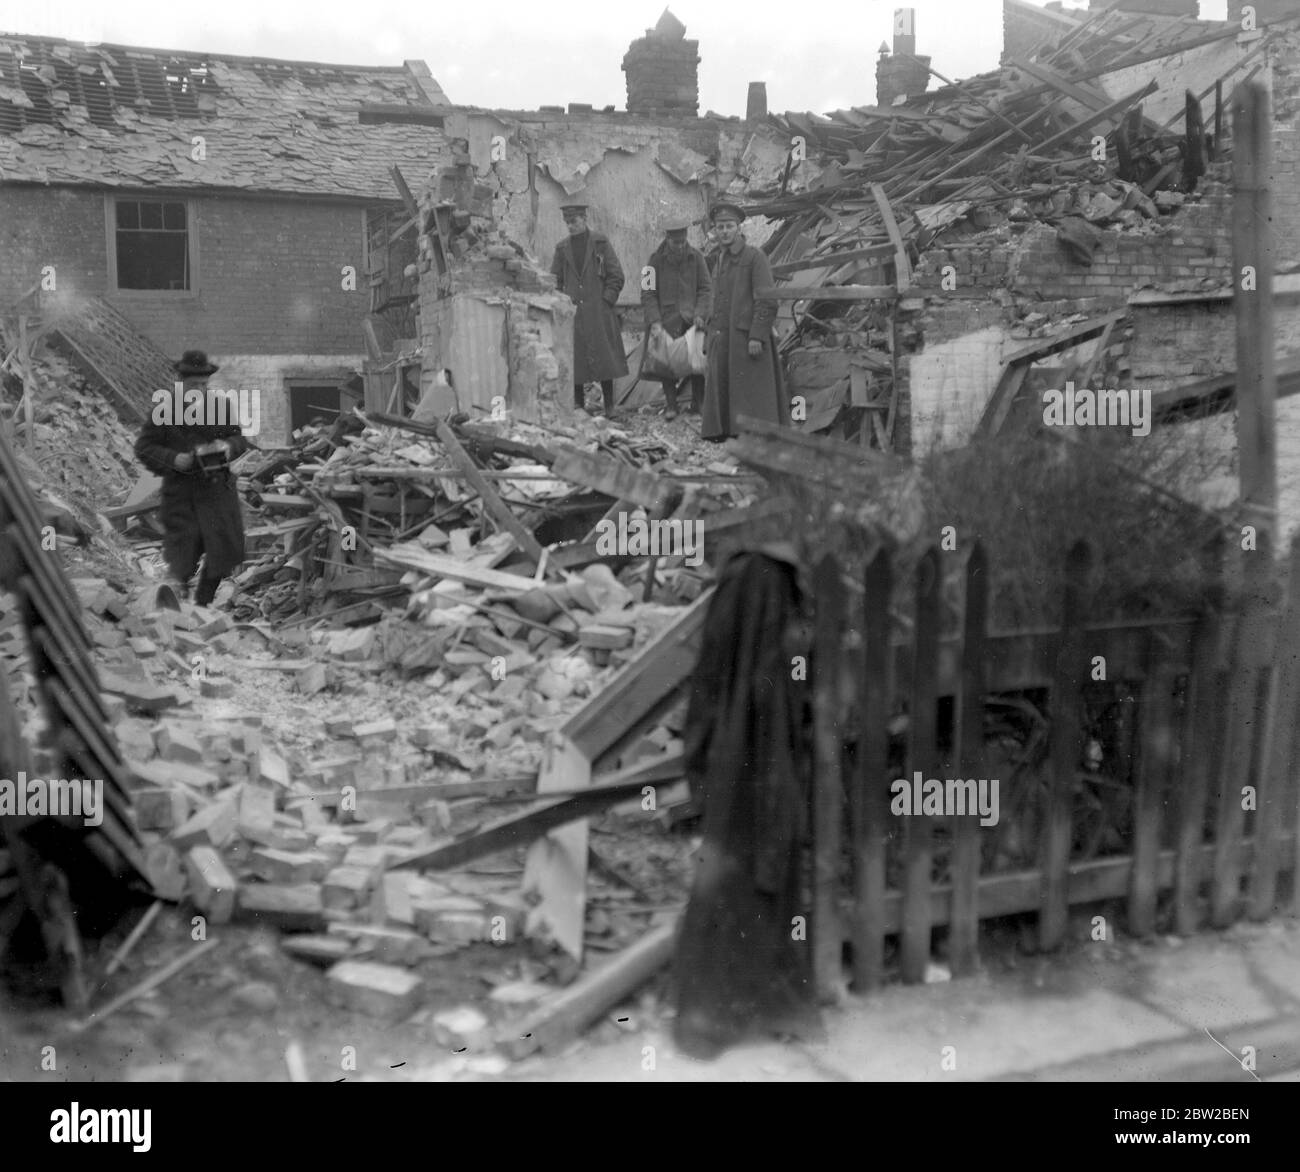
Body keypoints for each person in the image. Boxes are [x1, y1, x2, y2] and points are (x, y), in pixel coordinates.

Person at [672, 545, 824, 1060]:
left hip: (737, 760)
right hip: (772, 761)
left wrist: (698, 761)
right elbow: (804, 676)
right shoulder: (785, 589)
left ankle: (711, 1022)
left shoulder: (741, 582)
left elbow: (709, 680)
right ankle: (774, 1010)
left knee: (729, 884)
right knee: (768, 880)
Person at [134, 350, 249, 607]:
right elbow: (144, 448)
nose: (199, 389)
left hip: (217, 492)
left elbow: (240, 439)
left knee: (225, 552)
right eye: (193, 385)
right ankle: (177, 610)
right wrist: (174, 459)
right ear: (181, 383)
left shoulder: (220, 407)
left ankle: (203, 605)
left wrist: (227, 446)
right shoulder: (164, 410)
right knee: (182, 558)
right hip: (182, 495)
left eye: (203, 385)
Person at [701, 200, 787, 442]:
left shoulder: (754, 256)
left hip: (746, 338)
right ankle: (730, 431)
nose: (725, 231)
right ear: (715, 231)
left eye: (729, 226)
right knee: (730, 388)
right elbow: (716, 299)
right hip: (724, 338)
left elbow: (767, 299)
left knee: (751, 390)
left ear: (739, 228)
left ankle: (757, 437)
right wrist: (710, 336)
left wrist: (757, 335)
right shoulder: (719, 258)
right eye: (720, 227)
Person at [550, 203, 628, 418]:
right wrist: (562, 304)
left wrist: (606, 301)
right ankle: (578, 406)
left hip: (599, 311)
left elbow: (616, 275)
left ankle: (610, 406)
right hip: (573, 313)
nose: (570, 226)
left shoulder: (600, 243)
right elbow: (555, 280)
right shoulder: (562, 249)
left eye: (573, 221)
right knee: (576, 358)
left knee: (605, 359)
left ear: (584, 219)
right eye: (567, 223)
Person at [642, 216, 711, 420]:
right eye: (675, 243)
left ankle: (698, 405)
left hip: (691, 319)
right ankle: (671, 405)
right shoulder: (653, 260)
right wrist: (654, 321)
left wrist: (700, 313)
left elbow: (706, 288)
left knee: (696, 362)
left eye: (683, 242)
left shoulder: (697, 257)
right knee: (665, 364)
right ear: (667, 239)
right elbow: (646, 292)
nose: (680, 247)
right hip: (666, 319)